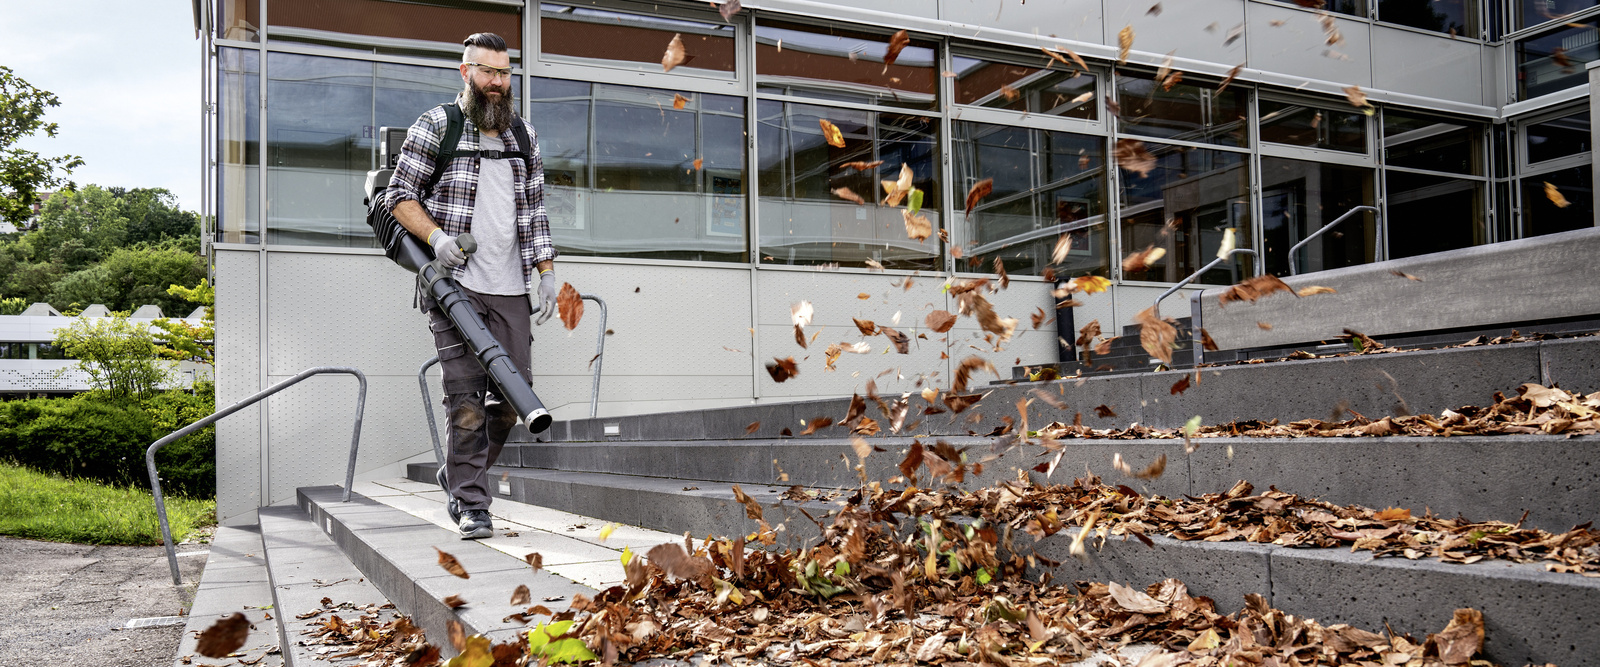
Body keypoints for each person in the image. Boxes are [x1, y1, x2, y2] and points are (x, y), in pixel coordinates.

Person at [385, 32, 558, 539]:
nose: (497, 83)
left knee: (512, 402)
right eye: (487, 72)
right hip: (453, 286)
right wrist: (435, 239)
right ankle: (471, 504)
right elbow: (399, 194)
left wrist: (546, 274)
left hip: (510, 290)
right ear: (466, 73)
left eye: (505, 73)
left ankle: (460, 476)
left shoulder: (521, 137)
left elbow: (534, 212)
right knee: (465, 400)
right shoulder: (437, 126)